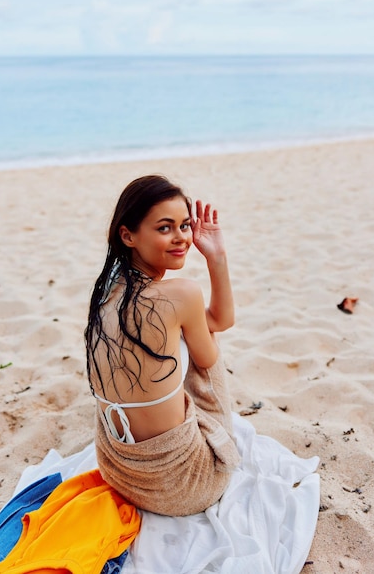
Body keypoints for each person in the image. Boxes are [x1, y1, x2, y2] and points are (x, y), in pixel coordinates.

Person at [85, 174, 240, 516]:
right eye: (165, 228)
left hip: (119, 472)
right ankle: (218, 439)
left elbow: (214, 318)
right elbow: (215, 337)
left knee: (185, 330)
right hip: (184, 486)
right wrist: (218, 260)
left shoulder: (105, 294)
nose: (181, 238)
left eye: (185, 225)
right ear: (128, 235)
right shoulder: (180, 294)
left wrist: (214, 255)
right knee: (203, 340)